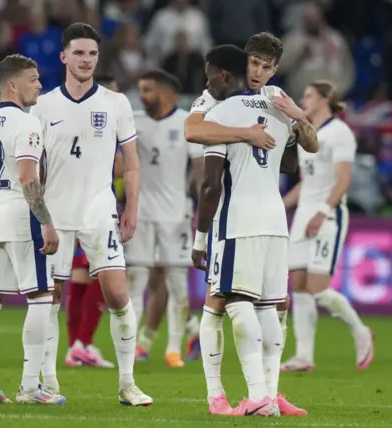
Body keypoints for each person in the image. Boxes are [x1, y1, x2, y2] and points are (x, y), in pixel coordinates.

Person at [184, 32, 317, 417]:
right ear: (243, 63)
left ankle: (260, 395)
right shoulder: (271, 105)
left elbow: (208, 177)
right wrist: (291, 122)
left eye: (266, 66)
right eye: (253, 63)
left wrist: (201, 236)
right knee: (268, 308)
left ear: (275, 69)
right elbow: (297, 158)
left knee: (238, 303)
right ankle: (263, 396)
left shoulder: (228, 107)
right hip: (275, 219)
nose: (258, 71)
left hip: (238, 219)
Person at [29, 22, 152, 405]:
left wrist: (130, 207)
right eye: (79, 53)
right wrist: (38, 214)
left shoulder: (115, 104)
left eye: (93, 54)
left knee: (117, 294)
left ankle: (127, 384)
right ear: (64, 56)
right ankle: (48, 381)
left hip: (100, 212)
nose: (86, 60)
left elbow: (131, 163)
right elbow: (33, 167)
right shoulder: (44, 104)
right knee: (51, 296)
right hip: (56, 214)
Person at [0, 54, 65, 404]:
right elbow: (28, 178)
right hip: (20, 216)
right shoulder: (25, 123)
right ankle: (29, 387)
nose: (39, 84)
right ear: (13, 84)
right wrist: (47, 222)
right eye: (33, 78)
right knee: (41, 296)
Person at [281, 81, 374, 373]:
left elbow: (343, 179)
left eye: (308, 95)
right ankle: (304, 356)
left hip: (328, 216)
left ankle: (361, 331)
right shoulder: (306, 133)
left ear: (325, 100)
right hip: (303, 214)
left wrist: (322, 212)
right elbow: (307, 181)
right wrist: (281, 205)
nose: (303, 98)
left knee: (319, 289)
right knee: (298, 285)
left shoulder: (340, 133)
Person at [125, 69, 203, 368]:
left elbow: (198, 167)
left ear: (167, 93)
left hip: (175, 215)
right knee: (137, 282)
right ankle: (131, 347)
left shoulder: (186, 122)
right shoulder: (134, 121)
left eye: (148, 90)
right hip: (141, 213)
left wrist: (197, 205)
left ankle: (173, 349)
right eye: (141, 90)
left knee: (176, 283)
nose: (143, 96)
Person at [64, 74, 122, 369]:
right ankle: (82, 343)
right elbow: (121, 168)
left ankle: (75, 346)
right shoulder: (102, 128)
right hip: (94, 209)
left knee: (79, 277)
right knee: (102, 274)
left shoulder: (72, 120)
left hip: (70, 206)